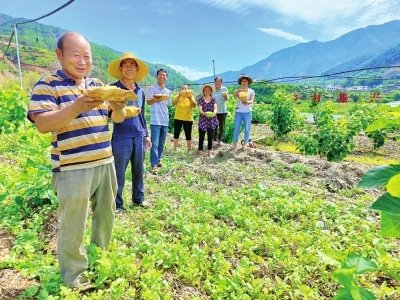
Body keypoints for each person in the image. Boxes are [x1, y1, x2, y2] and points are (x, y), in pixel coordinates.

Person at [27, 32, 126, 289]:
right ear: (59, 55)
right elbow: (42, 124)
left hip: (105, 161)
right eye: (76, 56)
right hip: (73, 167)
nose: (83, 62)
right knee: (74, 222)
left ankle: (99, 258)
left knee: (106, 215)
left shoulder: (96, 85)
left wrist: (117, 106)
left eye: (87, 57)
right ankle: (74, 275)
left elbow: (115, 119)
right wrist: (76, 107)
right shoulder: (48, 84)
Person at [107, 52, 152, 212]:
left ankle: (138, 198)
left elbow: (143, 115)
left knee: (138, 169)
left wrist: (146, 135)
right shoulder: (114, 89)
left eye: (132, 65)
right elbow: (109, 114)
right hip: (121, 136)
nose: (129, 68)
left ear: (137, 69)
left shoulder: (141, 91)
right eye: (125, 65)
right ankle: (117, 204)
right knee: (118, 171)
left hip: (139, 135)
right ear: (120, 68)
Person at [146, 69, 171, 175]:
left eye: (164, 75)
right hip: (155, 120)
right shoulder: (151, 88)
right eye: (160, 75)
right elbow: (148, 102)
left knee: (161, 144)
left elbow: (168, 104)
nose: (162, 77)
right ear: (157, 77)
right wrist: (156, 99)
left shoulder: (168, 91)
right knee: (154, 144)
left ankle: (158, 159)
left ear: (166, 78)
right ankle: (154, 165)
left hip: (165, 120)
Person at [232, 75, 255, 149]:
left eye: (245, 81)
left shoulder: (251, 91)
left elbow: (252, 100)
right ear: (241, 82)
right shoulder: (238, 90)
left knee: (247, 128)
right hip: (238, 112)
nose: (244, 82)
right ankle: (235, 143)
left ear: (248, 82)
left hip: (247, 112)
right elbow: (234, 95)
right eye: (242, 81)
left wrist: (247, 102)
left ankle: (245, 143)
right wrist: (238, 91)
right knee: (236, 128)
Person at [172, 84, 196, 151]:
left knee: (188, 135)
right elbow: (173, 103)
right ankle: (174, 148)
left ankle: (189, 150)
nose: (184, 90)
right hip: (178, 118)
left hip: (188, 119)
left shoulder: (191, 96)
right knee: (176, 134)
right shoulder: (178, 96)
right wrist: (179, 95)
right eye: (182, 89)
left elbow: (194, 105)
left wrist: (190, 98)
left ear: (188, 90)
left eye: (185, 89)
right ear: (180, 90)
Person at [197, 84, 218, 156]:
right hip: (203, 120)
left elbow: (215, 109)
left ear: (211, 91)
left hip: (211, 120)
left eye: (209, 89)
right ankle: (200, 151)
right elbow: (200, 110)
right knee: (201, 136)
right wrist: (204, 113)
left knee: (210, 137)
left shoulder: (213, 100)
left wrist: (213, 113)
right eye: (205, 90)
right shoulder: (201, 100)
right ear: (203, 91)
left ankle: (209, 152)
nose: (207, 91)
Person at [212, 76, 229, 145]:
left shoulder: (224, 89)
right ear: (215, 82)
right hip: (214, 110)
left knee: (221, 126)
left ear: (221, 82)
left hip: (222, 110)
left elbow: (227, 98)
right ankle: (214, 139)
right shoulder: (212, 89)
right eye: (217, 81)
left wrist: (225, 96)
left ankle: (220, 140)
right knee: (214, 125)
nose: (218, 83)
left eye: (219, 81)